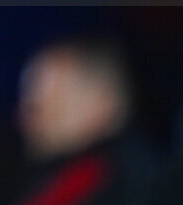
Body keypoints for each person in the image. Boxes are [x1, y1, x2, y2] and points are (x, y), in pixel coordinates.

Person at [12, 35, 154, 205]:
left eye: (42, 104)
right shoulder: (61, 181)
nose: (24, 116)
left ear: (101, 102)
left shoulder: (108, 185)